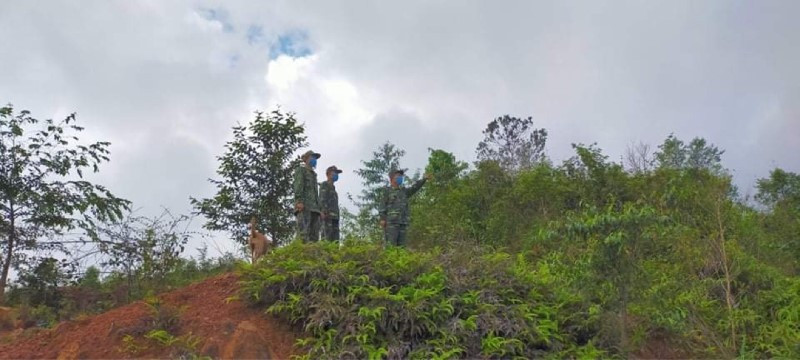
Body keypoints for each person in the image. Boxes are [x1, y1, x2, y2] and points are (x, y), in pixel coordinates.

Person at [379, 169, 431, 247]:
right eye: (398, 176)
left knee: (402, 247)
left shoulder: (404, 191)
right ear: (392, 178)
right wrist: (382, 219)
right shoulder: (387, 191)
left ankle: (400, 259)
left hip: (403, 223)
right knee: (391, 246)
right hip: (391, 223)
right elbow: (382, 205)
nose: (401, 178)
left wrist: (423, 179)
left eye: (401, 176)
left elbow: (414, 188)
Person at [293, 150, 321, 242]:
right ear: (306, 159)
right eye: (312, 157)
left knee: (314, 237)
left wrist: (319, 209)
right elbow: (298, 186)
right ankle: (301, 255)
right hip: (304, 207)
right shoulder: (301, 170)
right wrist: (299, 201)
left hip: (314, 209)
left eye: (315, 158)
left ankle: (312, 255)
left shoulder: (314, 175)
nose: (314, 160)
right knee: (303, 235)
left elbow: (315, 193)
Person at [320, 165, 343, 241]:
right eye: (334, 172)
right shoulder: (325, 185)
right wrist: (323, 211)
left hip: (335, 218)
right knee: (327, 238)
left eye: (337, 173)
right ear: (328, 174)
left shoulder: (334, 190)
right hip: (327, 216)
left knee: (335, 240)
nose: (336, 175)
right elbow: (322, 199)